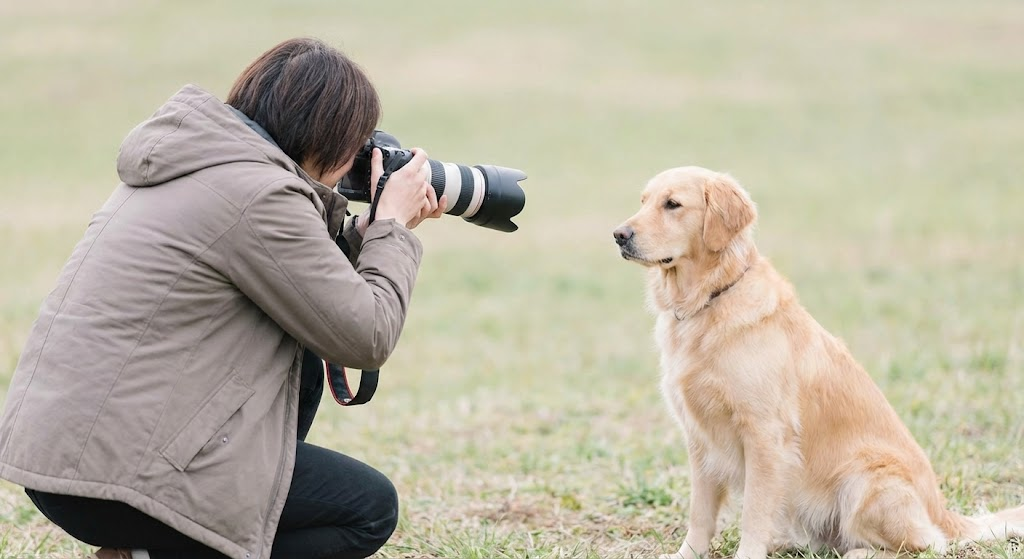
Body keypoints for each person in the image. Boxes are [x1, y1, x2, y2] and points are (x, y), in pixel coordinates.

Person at [0, 37, 446, 559]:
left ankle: (142, 551)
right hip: (117, 478)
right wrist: (392, 228)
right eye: (354, 144)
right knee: (365, 509)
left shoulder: (202, 163)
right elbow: (366, 335)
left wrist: (359, 234)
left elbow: (291, 278)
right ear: (326, 136)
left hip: (68, 460)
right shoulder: (259, 194)